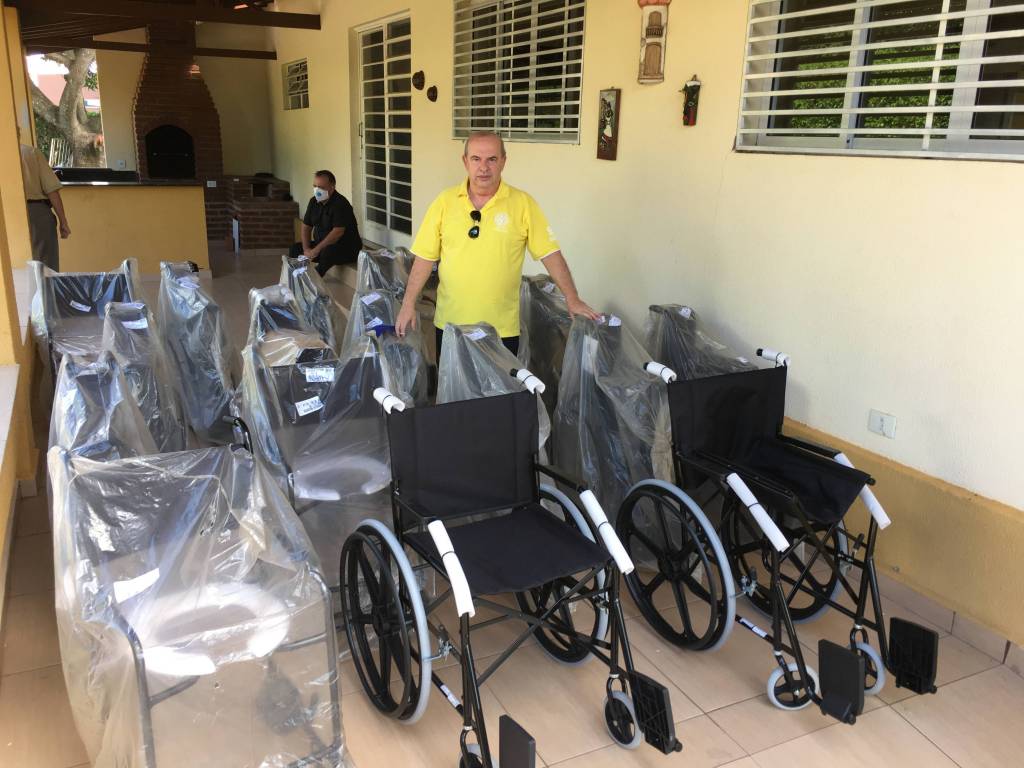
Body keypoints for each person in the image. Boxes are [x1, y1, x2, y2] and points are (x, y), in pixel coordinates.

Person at [396, 131, 598, 359]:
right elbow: (425, 258)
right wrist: (408, 304)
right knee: (452, 384)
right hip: (451, 325)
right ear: (465, 161)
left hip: (501, 330)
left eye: (492, 159)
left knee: (499, 384)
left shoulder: (523, 204)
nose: (484, 167)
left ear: (503, 161)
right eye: (476, 159)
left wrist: (572, 298)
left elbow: (550, 254)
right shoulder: (444, 202)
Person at [288, 169, 362, 278]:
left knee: (328, 251)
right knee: (295, 248)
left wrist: (316, 250)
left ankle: (314, 278)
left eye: (321, 187)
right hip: (321, 245)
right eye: (315, 186)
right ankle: (297, 277)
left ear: (332, 187)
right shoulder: (313, 201)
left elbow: (337, 232)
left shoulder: (340, 204)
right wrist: (306, 249)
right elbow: (306, 226)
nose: (317, 190)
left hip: (346, 249)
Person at [20, 137, 70, 271]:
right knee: (46, 267)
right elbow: (51, 190)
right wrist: (63, 221)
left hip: (8, 215)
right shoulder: (30, 153)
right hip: (37, 214)